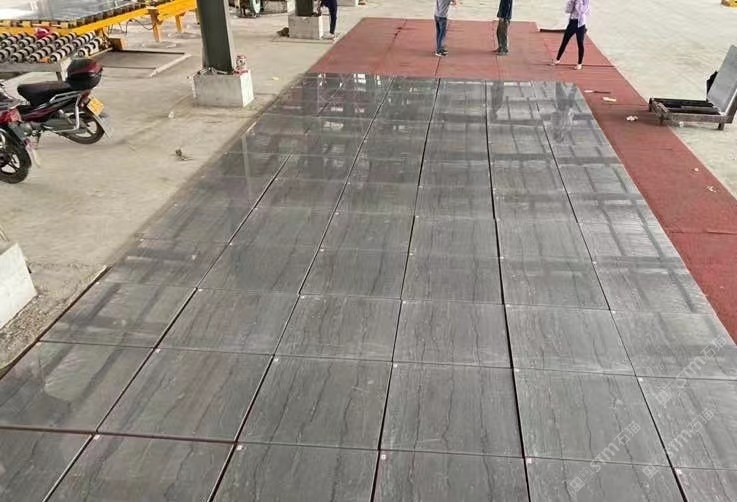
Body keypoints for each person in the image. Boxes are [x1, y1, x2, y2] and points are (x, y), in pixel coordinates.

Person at [552, 0, 590, 69]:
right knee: (564, 41)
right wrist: (572, 2)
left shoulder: (585, 1)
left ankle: (579, 64)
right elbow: (567, 10)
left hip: (580, 24)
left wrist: (578, 2)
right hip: (572, 23)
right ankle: (557, 60)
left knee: (580, 43)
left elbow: (582, 11)